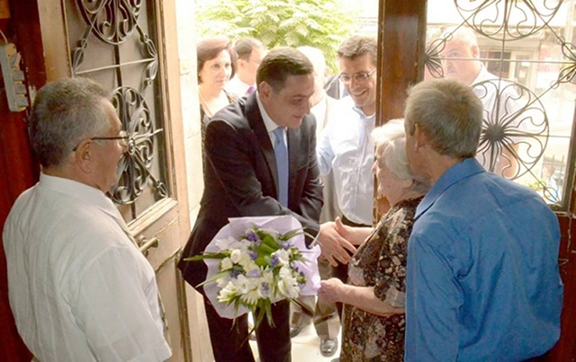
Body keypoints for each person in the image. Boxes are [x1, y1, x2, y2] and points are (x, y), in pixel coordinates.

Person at [178, 47, 356, 362]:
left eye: (310, 97)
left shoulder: (307, 123)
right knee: (231, 347)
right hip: (227, 255)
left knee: (277, 342)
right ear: (265, 91)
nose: (306, 108)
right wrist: (314, 232)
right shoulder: (226, 128)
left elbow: (312, 186)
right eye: (296, 99)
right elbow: (250, 200)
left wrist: (298, 240)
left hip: (280, 248)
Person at [2, 77, 171, 361]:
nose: (125, 147)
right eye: (118, 137)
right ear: (86, 154)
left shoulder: (24, 205)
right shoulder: (99, 247)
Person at [403, 79, 563, 360]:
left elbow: (431, 345)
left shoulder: (434, 232)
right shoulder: (534, 204)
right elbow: (550, 299)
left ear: (419, 135)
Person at [319, 120, 429, 362]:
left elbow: (390, 301)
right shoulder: (413, 207)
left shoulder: (404, 222)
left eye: (379, 162)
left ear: (405, 178)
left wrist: (340, 291)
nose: (373, 169)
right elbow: (390, 240)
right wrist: (352, 233)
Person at [316, 35, 378, 325]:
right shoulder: (339, 112)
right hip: (345, 230)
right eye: (346, 77)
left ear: (380, 70)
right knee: (346, 313)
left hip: (384, 232)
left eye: (363, 75)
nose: (354, 85)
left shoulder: (402, 114)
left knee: (379, 320)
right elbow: (320, 161)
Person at [288, 46, 341, 357]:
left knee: (327, 275)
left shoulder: (339, 110)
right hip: (299, 214)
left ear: (323, 75)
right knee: (297, 269)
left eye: (315, 72)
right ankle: (298, 316)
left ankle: (327, 330)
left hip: (332, 208)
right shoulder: (286, 112)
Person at [440, 26, 522, 177]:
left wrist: (492, 195)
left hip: (484, 192)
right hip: (445, 191)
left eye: (454, 54)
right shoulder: (441, 95)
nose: (448, 63)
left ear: (475, 52)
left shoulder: (502, 93)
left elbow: (509, 160)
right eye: (443, 57)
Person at [197, 36, 238, 126]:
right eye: (216, 66)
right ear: (199, 70)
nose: (224, 73)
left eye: (227, 65)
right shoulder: (188, 106)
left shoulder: (236, 101)